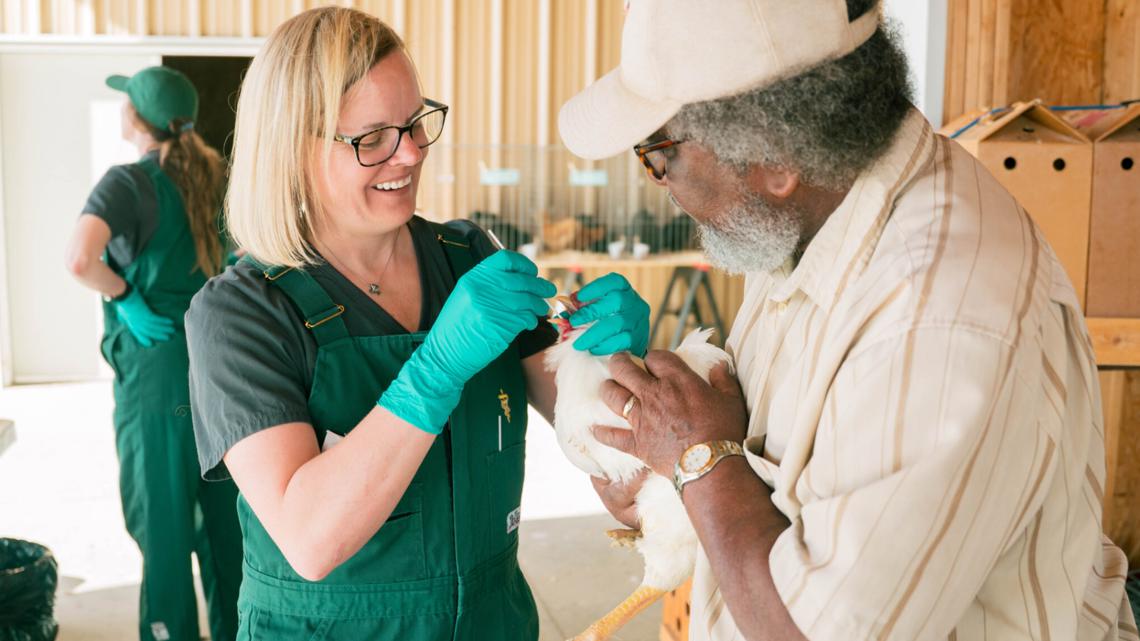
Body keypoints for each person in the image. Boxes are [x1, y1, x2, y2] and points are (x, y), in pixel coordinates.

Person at [559, 1, 1138, 639]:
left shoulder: (941, 318)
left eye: (659, 153)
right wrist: (667, 478)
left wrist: (699, 462)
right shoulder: (806, 219)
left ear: (777, 158)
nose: (662, 184)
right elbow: (778, 469)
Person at [184, 7, 649, 640]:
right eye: (371, 137)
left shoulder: (467, 260)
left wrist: (603, 360)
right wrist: (436, 367)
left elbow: (585, 424)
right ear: (294, 145)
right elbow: (310, 538)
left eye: (415, 122)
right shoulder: (241, 313)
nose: (410, 153)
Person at [64, 66, 243, 641]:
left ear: (136, 118)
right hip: (220, 367)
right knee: (225, 523)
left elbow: (79, 260)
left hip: (157, 367)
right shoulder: (217, 177)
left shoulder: (126, 184)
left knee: (162, 522)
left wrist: (124, 295)